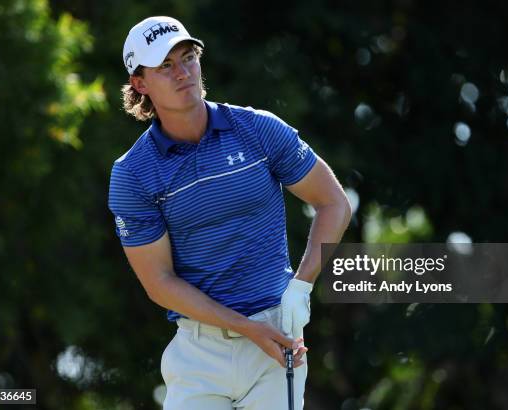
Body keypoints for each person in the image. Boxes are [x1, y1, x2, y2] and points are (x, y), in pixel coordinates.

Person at [108, 15, 351, 409]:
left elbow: (333, 202)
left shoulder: (257, 129)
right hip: (198, 354)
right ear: (140, 84)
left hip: (277, 342)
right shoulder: (133, 175)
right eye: (165, 66)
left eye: (187, 58)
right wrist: (245, 328)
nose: (182, 72)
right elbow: (159, 281)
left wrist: (302, 285)